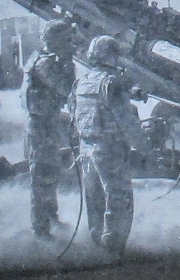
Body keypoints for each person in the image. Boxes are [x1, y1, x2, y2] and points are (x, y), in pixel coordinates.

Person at [69, 35, 147, 259]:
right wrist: (143, 148)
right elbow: (126, 121)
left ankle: (97, 245)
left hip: (86, 148)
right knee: (118, 198)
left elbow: (73, 111)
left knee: (94, 199)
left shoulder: (81, 82)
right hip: (110, 149)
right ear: (111, 56)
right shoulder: (110, 83)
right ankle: (113, 250)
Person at [23, 19, 75, 239]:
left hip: (47, 124)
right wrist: (68, 64)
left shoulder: (47, 60)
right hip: (40, 127)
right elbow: (65, 89)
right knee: (42, 175)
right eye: (66, 38)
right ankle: (40, 228)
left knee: (51, 173)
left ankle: (51, 217)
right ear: (54, 40)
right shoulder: (44, 64)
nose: (69, 42)